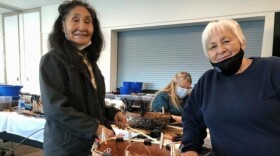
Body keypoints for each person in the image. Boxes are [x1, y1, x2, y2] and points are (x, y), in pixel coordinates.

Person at [39, 1, 128, 155]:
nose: (82, 27)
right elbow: (56, 109)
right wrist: (95, 127)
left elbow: (90, 102)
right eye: (75, 20)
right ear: (62, 26)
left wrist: (112, 112)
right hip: (65, 148)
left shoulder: (89, 62)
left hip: (89, 145)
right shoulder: (52, 60)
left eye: (88, 21)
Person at [180, 19, 280, 156]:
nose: (221, 50)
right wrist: (190, 148)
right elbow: (191, 119)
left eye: (226, 41)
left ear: (242, 42)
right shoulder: (207, 81)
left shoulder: (273, 68)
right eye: (212, 47)